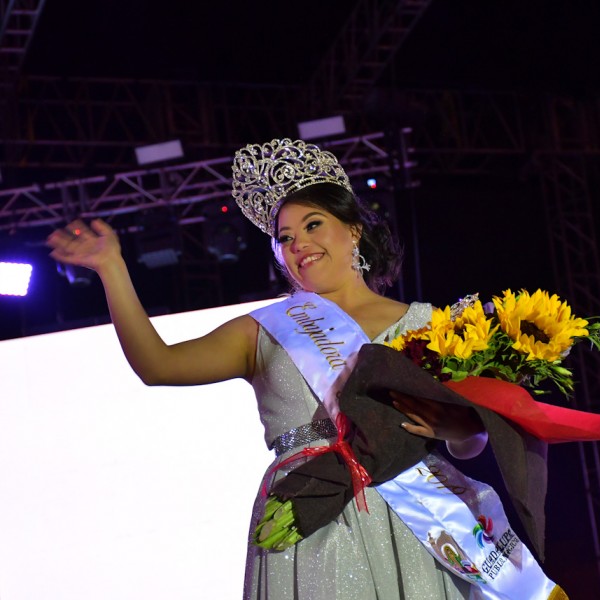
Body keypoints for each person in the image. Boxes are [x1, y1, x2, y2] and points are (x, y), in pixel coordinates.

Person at [46, 139, 494, 599]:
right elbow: (157, 364)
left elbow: (471, 441)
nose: (299, 244)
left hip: (416, 515)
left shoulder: (428, 323)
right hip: (308, 512)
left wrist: (457, 426)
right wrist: (111, 267)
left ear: (353, 230)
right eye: (284, 237)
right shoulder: (264, 331)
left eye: (313, 224)